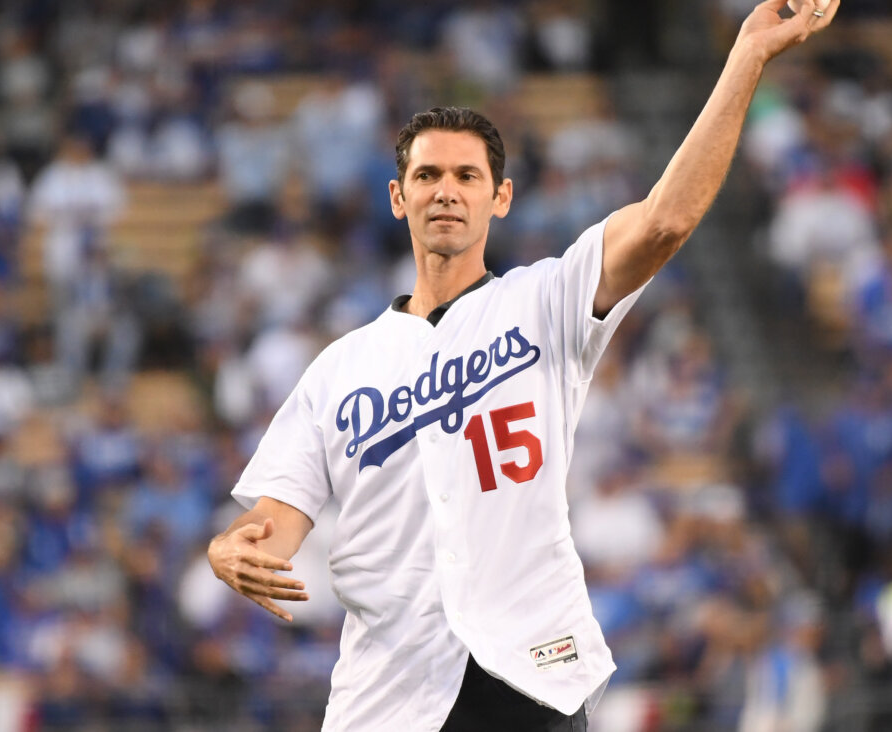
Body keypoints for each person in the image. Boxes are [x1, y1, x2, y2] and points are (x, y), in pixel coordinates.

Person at [207, 2, 840, 730]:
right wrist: (233, 548)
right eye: (428, 174)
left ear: (499, 197)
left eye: (468, 176)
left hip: (528, 673)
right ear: (397, 196)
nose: (446, 189)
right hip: (389, 695)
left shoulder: (546, 300)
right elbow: (274, 523)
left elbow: (665, 220)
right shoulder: (337, 369)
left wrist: (746, 59)